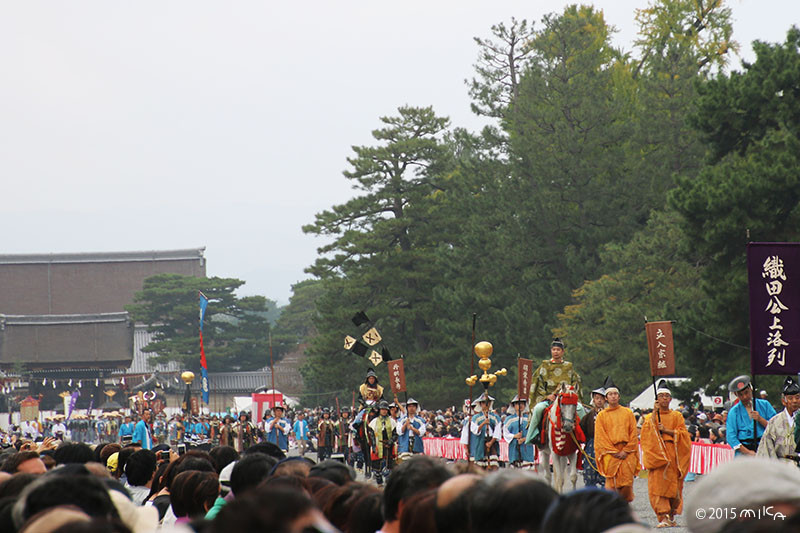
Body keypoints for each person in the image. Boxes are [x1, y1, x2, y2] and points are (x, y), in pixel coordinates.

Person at [640, 380, 692, 528]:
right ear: (657, 399)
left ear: (670, 399)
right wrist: (655, 415)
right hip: (658, 456)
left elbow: (684, 435)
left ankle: (671, 515)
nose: (663, 398)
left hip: (673, 455)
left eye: (666, 396)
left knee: (674, 486)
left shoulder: (677, 416)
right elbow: (646, 435)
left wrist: (667, 431)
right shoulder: (650, 417)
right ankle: (662, 516)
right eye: (660, 396)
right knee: (658, 487)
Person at [526, 338, 583, 445]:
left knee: (580, 409)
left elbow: (576, 382)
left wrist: (570, 393)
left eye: (558, 350)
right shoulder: (545, 365)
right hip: (550, 399)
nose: (555, 352)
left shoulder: (568, 366)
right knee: (538, 409)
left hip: (566, 399)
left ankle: (583, 434)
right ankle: (534, 435)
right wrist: (547, 396)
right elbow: (537, 382)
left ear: (563, 352)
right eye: (553, 349)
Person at [594, 376, 639, 502]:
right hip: (610, 453)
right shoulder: (602, 416)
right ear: (606, 398)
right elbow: (600, 437)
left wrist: (626, 450)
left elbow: (633, 434)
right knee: (611, 485)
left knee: (627, 484)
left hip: (627, 452)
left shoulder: (628, 413)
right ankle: (614, 508)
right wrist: (614, 452)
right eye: (610, 394)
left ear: (619, 397)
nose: (613, 396)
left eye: (615, 394)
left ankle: (623, 504)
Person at [726, 375, 777, 456]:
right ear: (736, 395)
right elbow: (731, 436)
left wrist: (760, 419)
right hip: (743, 451)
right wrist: (748, 452)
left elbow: (776, 427)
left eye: (746, 392)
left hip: (764, 448)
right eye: (741, 395)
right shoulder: (734, 412)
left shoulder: (765, 405)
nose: (745, 397)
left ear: (751, 389)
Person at [758, 376, 800, 461]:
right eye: (790, 398)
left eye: (797, 397)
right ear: (783, 401)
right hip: (780, 467)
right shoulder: (774, 422)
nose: (795, 401)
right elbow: (766, 449)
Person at [580, 385, 606, 488]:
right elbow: (581, 430)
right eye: (597, 398)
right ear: (593, 400)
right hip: (591, 446)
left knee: (606, 477)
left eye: (601, 398)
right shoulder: (588, 416)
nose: (599, 401)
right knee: (589, 477)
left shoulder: (608, 414)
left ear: (605, 400)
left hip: (605, 447)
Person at [470, 392, 502, 470]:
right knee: (480, 467)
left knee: (493, 466)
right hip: (481, 442)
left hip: (492, 443)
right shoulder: (475, 418)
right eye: (484, 402)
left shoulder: (495, 417)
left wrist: (491, 442)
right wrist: (483, 423)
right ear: (480, 404)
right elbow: (475, 430)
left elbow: (497, 432)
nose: (486, 404)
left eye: (487, 402)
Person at [368, 400, 396, 485]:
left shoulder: (392, 421)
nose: (384, 411)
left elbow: (395, 434)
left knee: (389, 466)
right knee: (377, 467)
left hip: (388, 445)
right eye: (382, 409)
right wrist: (373, 446)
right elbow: (371, 435)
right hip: (378, 445)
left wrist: (390, 442)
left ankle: (388, 482)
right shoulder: (374, 421)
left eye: (385, 409)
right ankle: (379, 482)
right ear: (379, 410)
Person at [503, 395, 534, 469]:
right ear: (514, 406)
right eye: (517, 404)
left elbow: (534, 432)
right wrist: (514, 436)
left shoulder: (530, 418)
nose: (520, 406)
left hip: (527, 448)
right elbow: (505, 433)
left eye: (522, 403)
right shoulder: (509, 419)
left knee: (527, 471)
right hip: (514, 448)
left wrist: (524, 439)